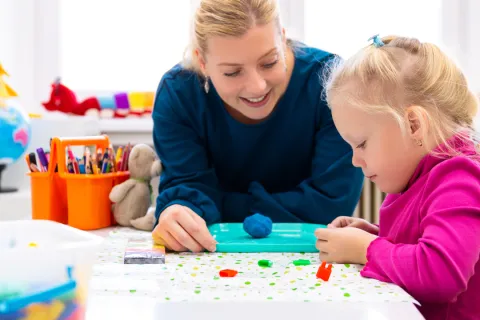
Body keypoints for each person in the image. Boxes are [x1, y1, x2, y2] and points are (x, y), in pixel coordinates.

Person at [151, 0, 364, 253]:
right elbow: (186, 194)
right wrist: (177, 213)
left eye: (269, 62)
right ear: (203, 62)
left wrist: (219, 205)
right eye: (232, 72)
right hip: (214, 258)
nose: (257, 87)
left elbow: (330, 205)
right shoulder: (178, 95)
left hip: (312, 256)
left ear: (283, 39)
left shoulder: (331, 84)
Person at [315, 35, 480, 319]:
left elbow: (440, 273)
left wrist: (366, 249)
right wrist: (375, 234)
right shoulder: (419, 173)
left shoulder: (460, 176)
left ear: (413, 124)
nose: (355, 160)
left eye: (362, 144)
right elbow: (424, 242)